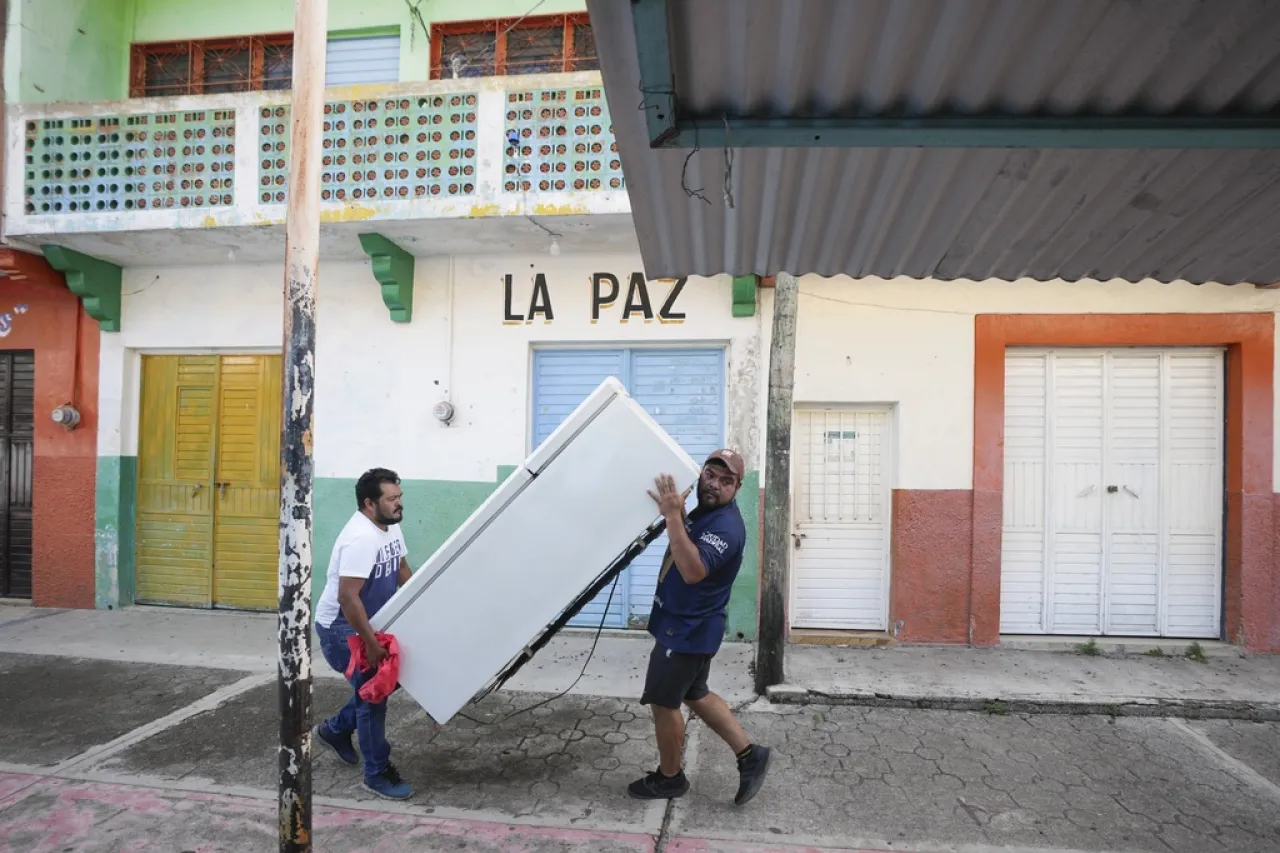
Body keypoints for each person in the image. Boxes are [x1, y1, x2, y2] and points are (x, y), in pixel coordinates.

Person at [628, 448, 772, 805]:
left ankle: (670, 778)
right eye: (711, 475)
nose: (716, 485)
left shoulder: (725, 526)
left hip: (687, 631)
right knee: (695, 693)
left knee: (664, 702)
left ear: (737, 488)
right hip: (687, 624)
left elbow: (693, 571)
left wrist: (673, 516)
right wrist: (672, 513)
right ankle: (750, 755)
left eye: (727, 481)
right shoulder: (705, 511)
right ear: (701, 473)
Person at [312, 467, 414, 800]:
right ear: (370, 503)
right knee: (373, 695)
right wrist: (370, 643)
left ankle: (334, 730)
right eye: (392, 499)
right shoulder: (361, 538)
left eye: (399, 496)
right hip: (341, 628)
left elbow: (400, 568)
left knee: (385, 681)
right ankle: (376, 774)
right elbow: (347, 596)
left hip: (369, 621)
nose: (399, 504)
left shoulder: (389, 528)